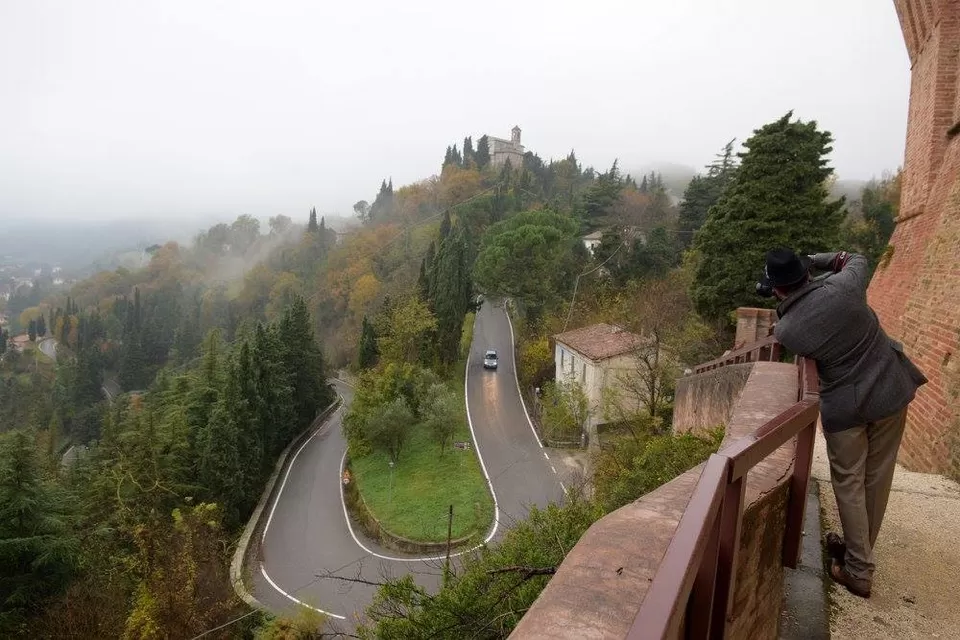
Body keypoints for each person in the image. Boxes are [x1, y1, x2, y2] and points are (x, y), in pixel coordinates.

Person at [760, 248, 927, 598]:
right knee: (877, 478)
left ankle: (859, 568)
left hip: (846, 408)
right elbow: (856, 259)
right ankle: (857, 557)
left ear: (776, 289)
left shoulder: (788, 330)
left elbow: (797, 312)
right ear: (805, 272)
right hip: (890, 391)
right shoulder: (845, 286)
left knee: (849, 482)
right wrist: (818, 258)